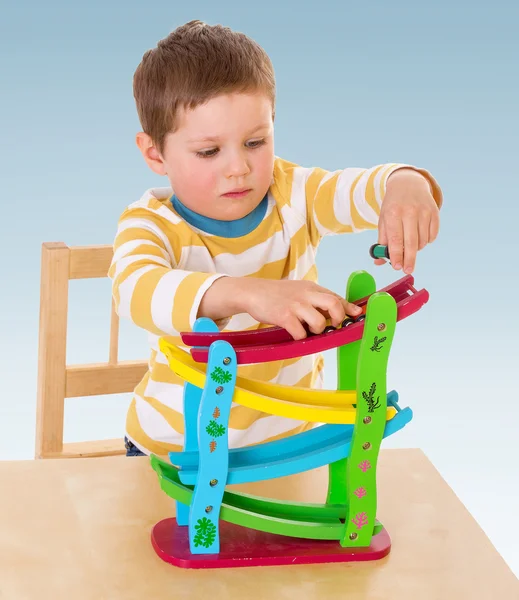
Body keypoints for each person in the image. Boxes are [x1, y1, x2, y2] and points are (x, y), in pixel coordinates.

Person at [109, 20, 443, 458]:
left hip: (293, 444)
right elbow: (133, 289)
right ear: (155, 153)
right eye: (209, 151)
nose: (238, 168)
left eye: (255, 141)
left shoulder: (294, 193)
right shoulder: (149, 223)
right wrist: (249, 294)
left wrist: (406, 183)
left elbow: (361, 189)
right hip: (175, 453)